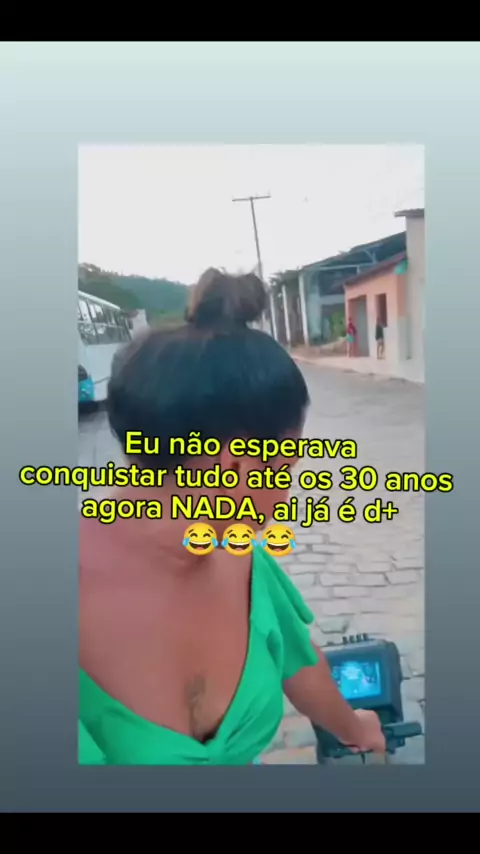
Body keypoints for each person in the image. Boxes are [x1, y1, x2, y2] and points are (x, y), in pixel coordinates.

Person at [79, 268, 385, 765]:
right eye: (286, 468)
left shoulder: (246, 565)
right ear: (235, 464)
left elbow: (297, 661)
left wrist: (356, 729)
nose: (286, 495)